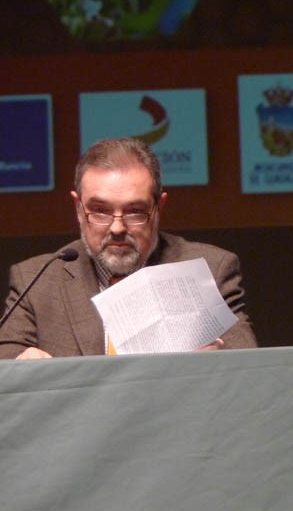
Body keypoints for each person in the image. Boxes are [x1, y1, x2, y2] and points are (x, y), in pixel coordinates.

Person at [0, 138, 257, 359]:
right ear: (78, 208)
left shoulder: (209, 268)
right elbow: (6, 365)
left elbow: (250, 369)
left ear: (159, 207)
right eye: (100, 211)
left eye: (135, 211)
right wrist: (21, 366)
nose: (117, 228)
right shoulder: (37, 280)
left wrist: (217, 364)